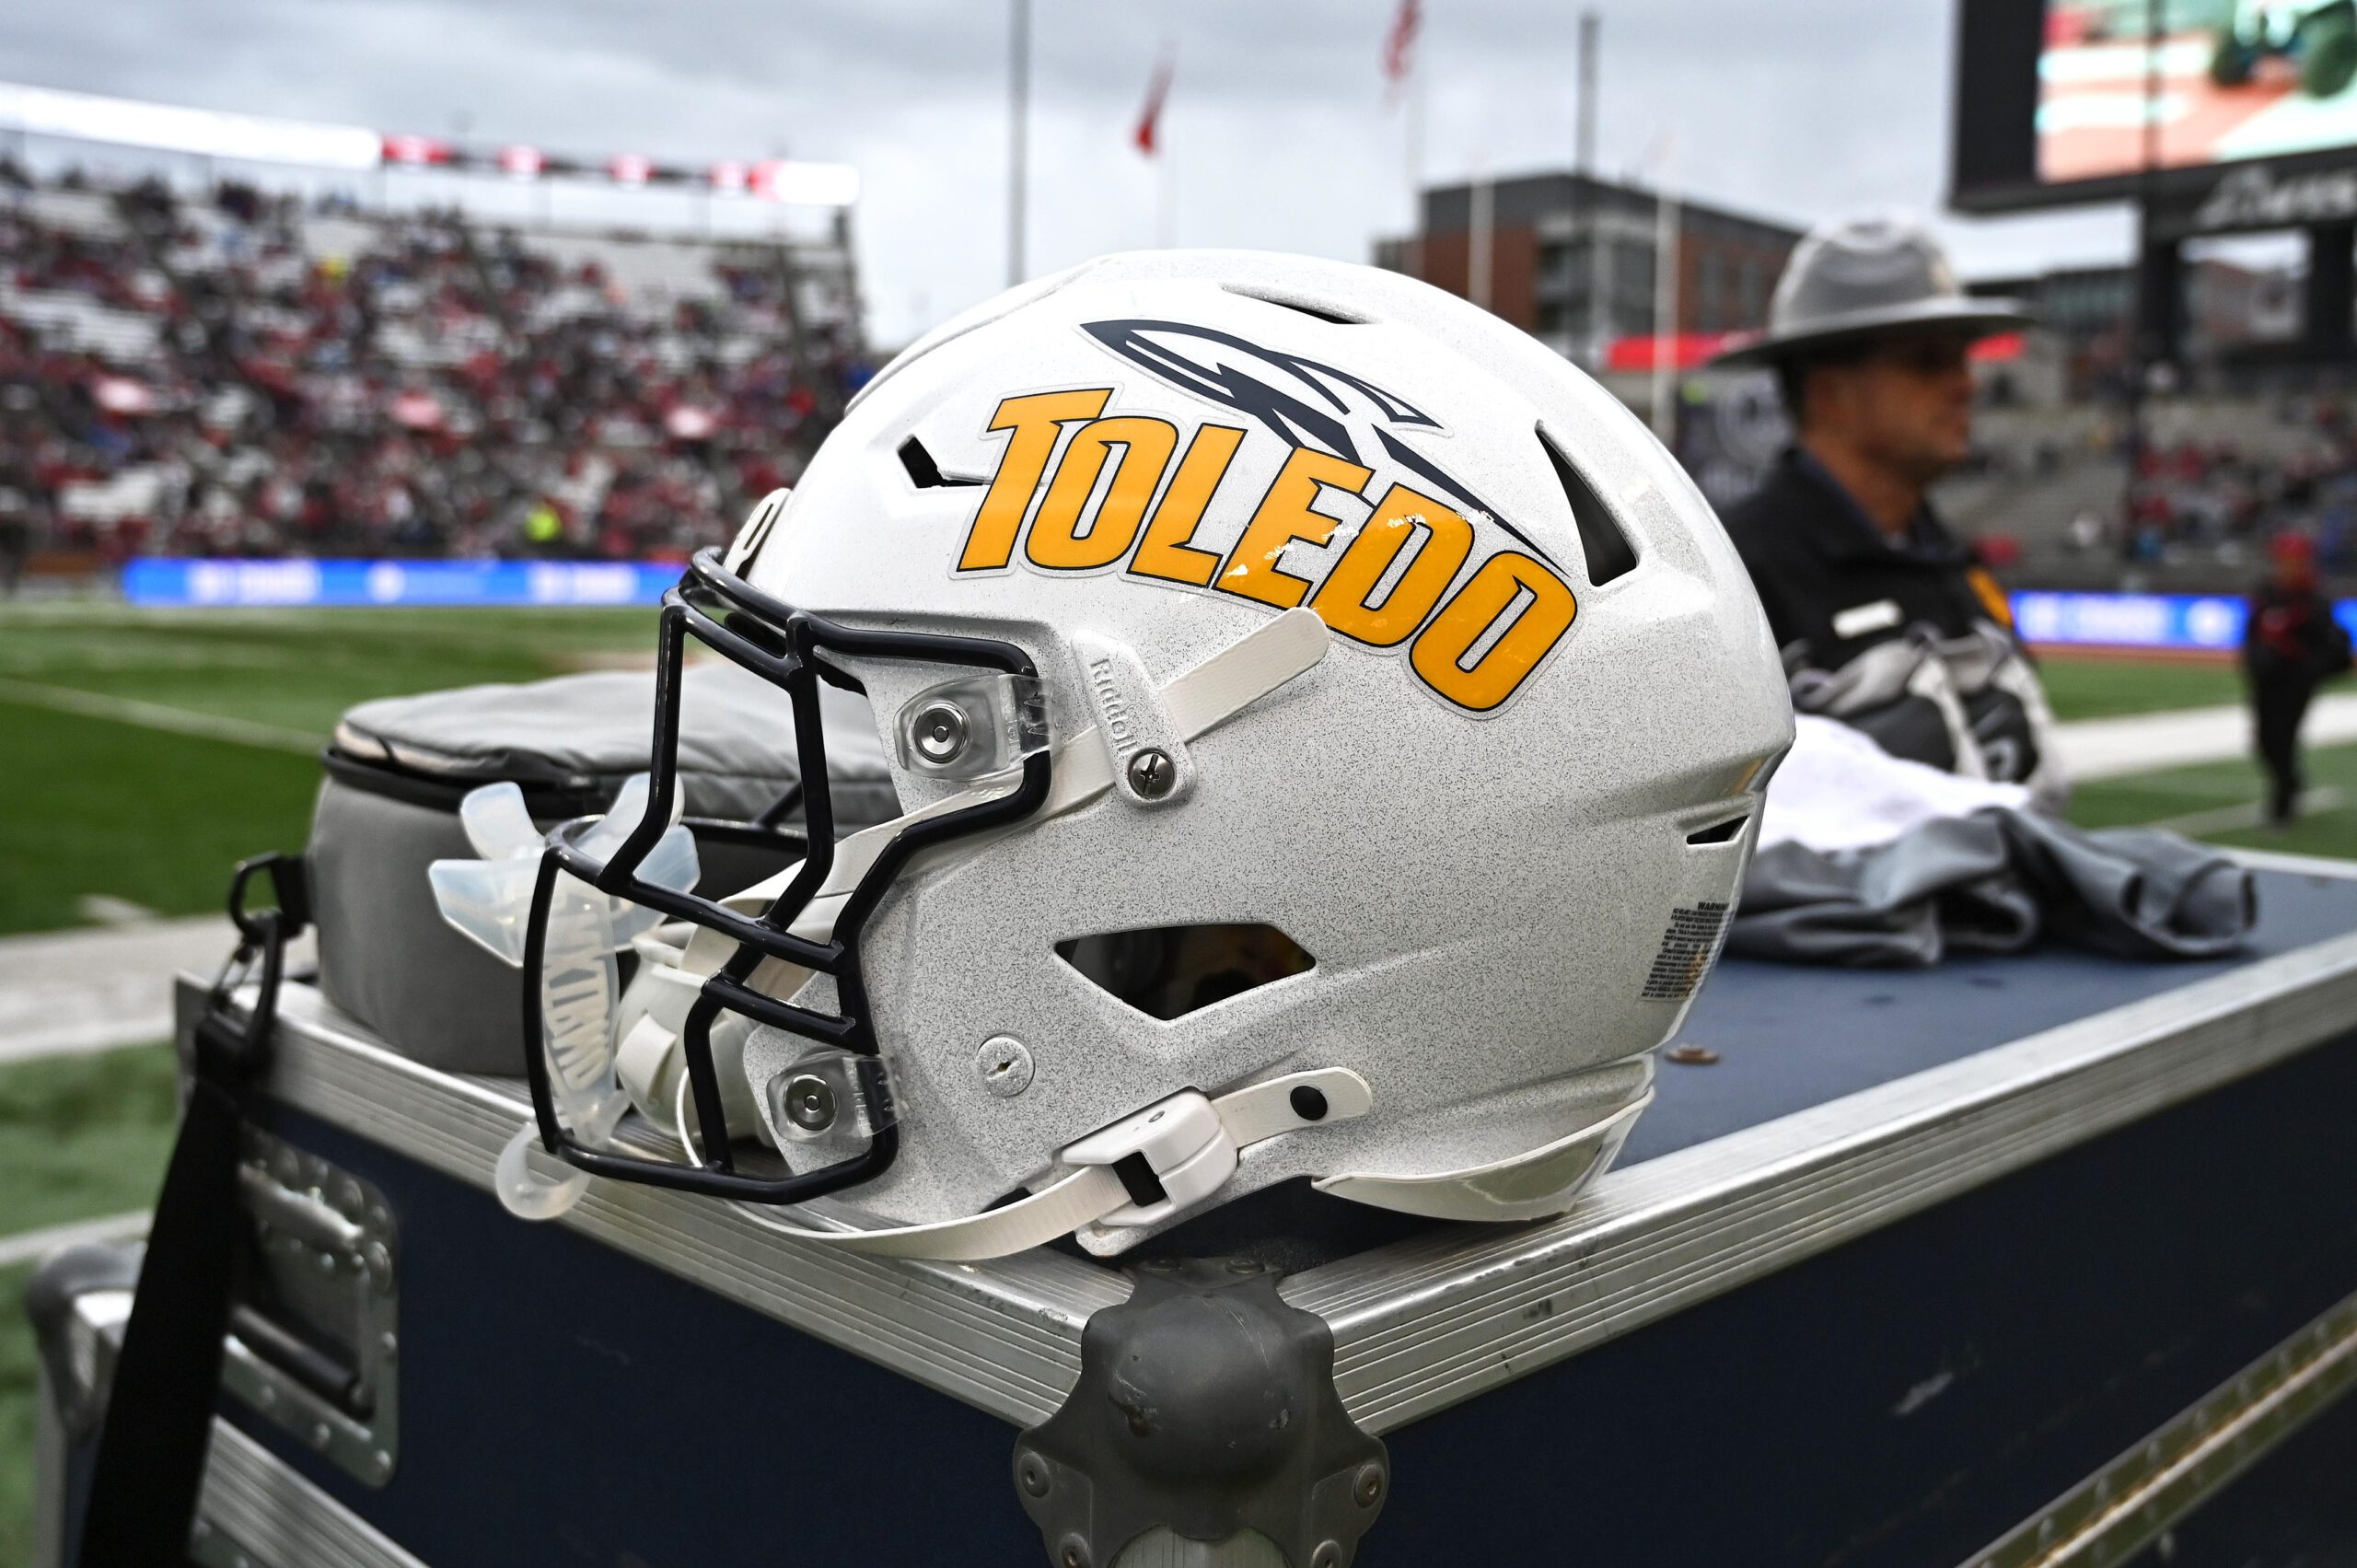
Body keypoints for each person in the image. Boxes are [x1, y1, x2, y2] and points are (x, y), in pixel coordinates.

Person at [1711, 215, 2063, 806]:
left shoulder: (1951, 562)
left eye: (1963, 358)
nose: (1967, 384)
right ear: (1828, 393)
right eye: (1928, 360)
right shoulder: (1736, 575)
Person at [2243, 532, 2351, 825]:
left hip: (2295, 684)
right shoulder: (2266, 594)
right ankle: (2291, 781)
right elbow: (2251, 638)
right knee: (2264, 741)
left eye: (2295, 561)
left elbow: (2327, 648)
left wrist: (2305, 669)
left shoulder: (2314, 601)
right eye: (2284, 560)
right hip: (2266, 682)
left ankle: (2283, 803)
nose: (2288, 567)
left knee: (2284, 738)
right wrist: (2257, 664)